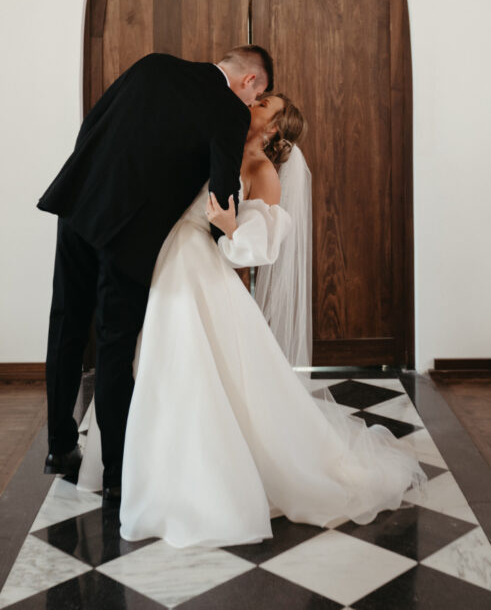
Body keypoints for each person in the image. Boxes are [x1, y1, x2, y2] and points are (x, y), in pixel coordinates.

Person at [77, 93, 425, 545]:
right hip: (165, 259)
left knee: (191, 365)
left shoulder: (262, 172)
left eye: (264, 102)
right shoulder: (216, 140)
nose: (252, 102)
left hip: (198, 269)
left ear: (274, 128)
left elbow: (260, 249)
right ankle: (139, 466)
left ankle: (195, 483)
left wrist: (227, 225)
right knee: (157, 365)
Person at [36, 44, 274, 501]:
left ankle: (60, 446)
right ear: (251, 83)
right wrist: (228, 238)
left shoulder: (153, 64)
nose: (250, 106)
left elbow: (93, 122)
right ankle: (117, 473)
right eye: (255, 98)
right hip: (130, 236)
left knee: (66, 323)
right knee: (113, 344)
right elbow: (222, 196)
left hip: (80, 203)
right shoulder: (229, 109)